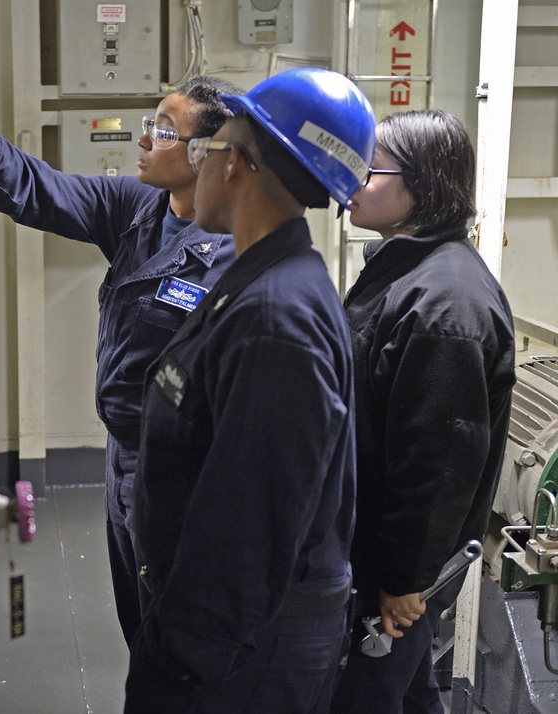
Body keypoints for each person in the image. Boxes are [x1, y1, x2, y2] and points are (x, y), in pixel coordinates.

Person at [0, 76, 244, 646]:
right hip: (123, 453)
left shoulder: (234, 254)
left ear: (207, 155)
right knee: (138, 613)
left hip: (181, 464)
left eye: (164, 131)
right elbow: (50, 192)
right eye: (151, 123)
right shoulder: (139, 206)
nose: (144, 140)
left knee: (175, 622)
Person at [124, 68, 375, 713]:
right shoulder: (260, 279)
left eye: (204, 151)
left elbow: (249, 524)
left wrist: (181, 657)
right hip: (237, 634)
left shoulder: (275, 318)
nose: (198, 166)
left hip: (240, 656)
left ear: (234, 162)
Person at [329, 110, 516, 714]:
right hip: (382, 558)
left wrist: (404, 581)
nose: (351, 180)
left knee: (367, 697)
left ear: (424, 185)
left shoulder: (444, 303)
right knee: (409, 695)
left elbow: (436, 465)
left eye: (369, 169)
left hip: (395, 572)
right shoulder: (404, 271)